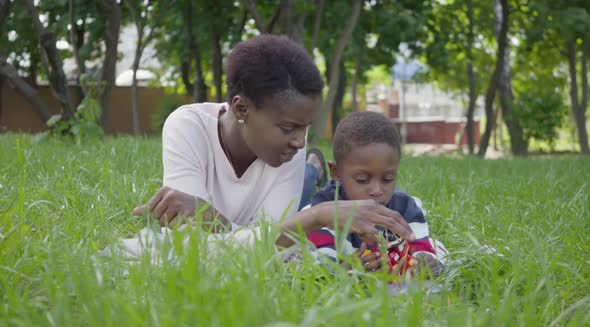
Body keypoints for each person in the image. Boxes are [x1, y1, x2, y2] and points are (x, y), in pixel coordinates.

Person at [132, 34, 416, 249]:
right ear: (241, 109)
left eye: (304, 128)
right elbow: (193, 246)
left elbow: (270, 243)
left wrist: (213, 218)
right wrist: (314, 217)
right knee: (306, 191)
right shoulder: (188, 127)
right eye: (288, 128)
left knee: (302, 196)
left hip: (272, 204)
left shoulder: (289, 147)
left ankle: (310, 170)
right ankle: (313, 169)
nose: (298, 141)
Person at [306, 111, 445, 277]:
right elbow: (323, 262)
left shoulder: (404, 207)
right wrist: (345, 271)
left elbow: (420, 247)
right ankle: (312, 169)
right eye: (362, 180)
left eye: (387, 179)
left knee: (441, 250)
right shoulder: (325, 208)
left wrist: (423, 261)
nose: (377, 190)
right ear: (336, 172)